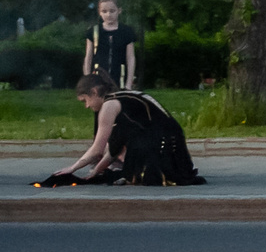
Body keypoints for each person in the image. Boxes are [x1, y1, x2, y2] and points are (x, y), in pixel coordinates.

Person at [44, 74, 204, 186]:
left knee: (137, 147)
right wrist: (95, 171)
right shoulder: (121, 96)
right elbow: (116, 145)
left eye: (85, 100)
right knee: (133, 140)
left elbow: (97, 149)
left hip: (164, 144)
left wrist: (71, 168)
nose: (87, 106)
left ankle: (140, 175)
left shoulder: (109, 105)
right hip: (172, 140)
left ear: (94, 92)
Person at [83, 0, 139, 90]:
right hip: (98, 80)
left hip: (120, 80)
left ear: (119, 11)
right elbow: (88, 57)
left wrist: (128, 84)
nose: (108, 15)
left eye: (112, 11)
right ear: (99, 12)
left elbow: (130, 58)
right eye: (104, 11)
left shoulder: (127, 32)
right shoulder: (94, 32)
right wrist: (88, 81)